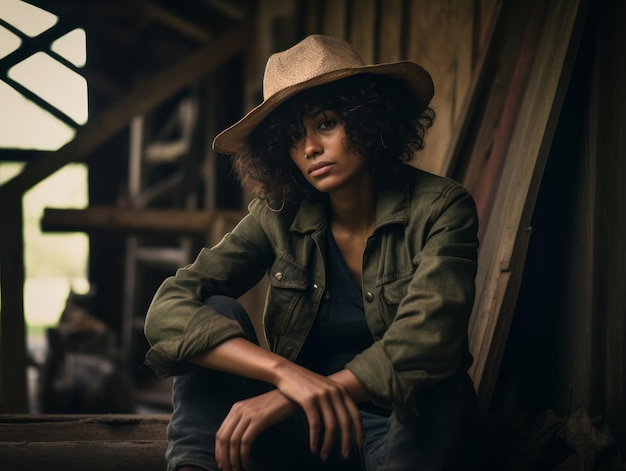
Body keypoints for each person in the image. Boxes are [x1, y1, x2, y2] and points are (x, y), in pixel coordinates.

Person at [144, 34, 481, 471]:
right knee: (215, 308)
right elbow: (169, 307)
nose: (309, 149)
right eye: (292, 136)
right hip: (310, 432)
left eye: (326, 124)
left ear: (369, 118)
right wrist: (287, 377)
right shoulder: (279, 216)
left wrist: (296, 395)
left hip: (407, 428)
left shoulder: (441, 207)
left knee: (437, 378)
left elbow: (427, 342)